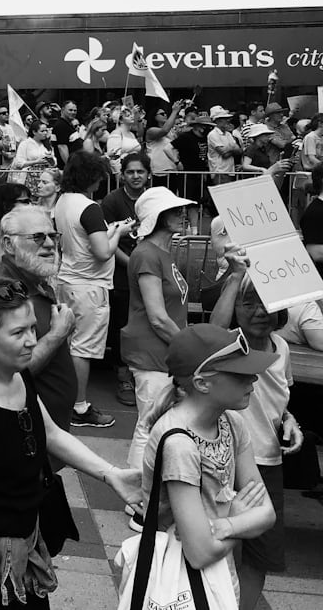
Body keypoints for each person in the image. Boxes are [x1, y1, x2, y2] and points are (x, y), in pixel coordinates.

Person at [0, 276, 141, 610]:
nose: (31, 341)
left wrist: (112, 474)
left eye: (33, 328)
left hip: (22, 546)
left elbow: (51, 433)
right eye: (18, 333)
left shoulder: (17, 373)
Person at [139, 323, 277, 606]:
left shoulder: (232, 423)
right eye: (240, 374)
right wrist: (237, 519)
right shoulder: (179, 444)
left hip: (221, 580)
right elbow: (198, 553)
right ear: (202, 383)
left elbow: (266, 514)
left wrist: (224, 525)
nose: (253, 379)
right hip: (178, 588)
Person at [208, 263, 303, 610]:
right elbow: (212, 331)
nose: (260, 312)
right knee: (221, 543)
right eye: (248, 303)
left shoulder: (282, 348)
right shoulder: (232, 345)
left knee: (260, 553)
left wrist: (291, 422)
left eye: (267, 303)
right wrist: (235, 277)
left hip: (269, 463)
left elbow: (279, 401)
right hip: (225, 462)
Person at [54, 151, 136, 428]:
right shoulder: (89, 207)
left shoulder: (62, 201)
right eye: (99, 177)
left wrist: (110, 230)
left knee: (69, 345)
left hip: (68, 279)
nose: (101, 182)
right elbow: (102, 252)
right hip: (89, 285)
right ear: (90, 177)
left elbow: (85, 239)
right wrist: (119, 234)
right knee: (82, 349)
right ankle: (79, 407)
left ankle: (68, 401)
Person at [121, 187, 196, 486]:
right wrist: (190, 346)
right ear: (159, 216)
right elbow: (157, 316)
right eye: (174, 210)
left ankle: (144, 491)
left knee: (154, 423)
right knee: (150, 425)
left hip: (162, 351)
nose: (182, 214)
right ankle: (139, 494)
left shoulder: (158, 253)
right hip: (153, 353)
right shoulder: (148, 254)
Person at [0, 206, 78, 433]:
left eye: (52, 236)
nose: (49, 244)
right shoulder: (3, 292)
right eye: (37, 237)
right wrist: (57, 334)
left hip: (49, 428)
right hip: (27, 430)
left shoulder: (36, 279)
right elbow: (9, 372)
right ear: (9, 244)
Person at [100, 152, 152, 408]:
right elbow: (108, 240)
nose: (135, 176)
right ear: (122, 175)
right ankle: (123, 376)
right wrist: (132, 265)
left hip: (149, 270)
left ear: (148, 174)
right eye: (130, 172)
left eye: (140, 171)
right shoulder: (112, 201)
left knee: (146, 320)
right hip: (121, 272)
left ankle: (142, 370)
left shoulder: (152, 200)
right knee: (122, 323)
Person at [10, 120, 56, 193]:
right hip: (29, 176)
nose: (45, 133)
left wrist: (50, 160)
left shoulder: (47, 145)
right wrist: (36, 162)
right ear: (34, 132)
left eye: (46, 131)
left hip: (45, 176)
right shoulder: (25, 144)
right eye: (42, 131)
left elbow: (54, 162)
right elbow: (19, 163)